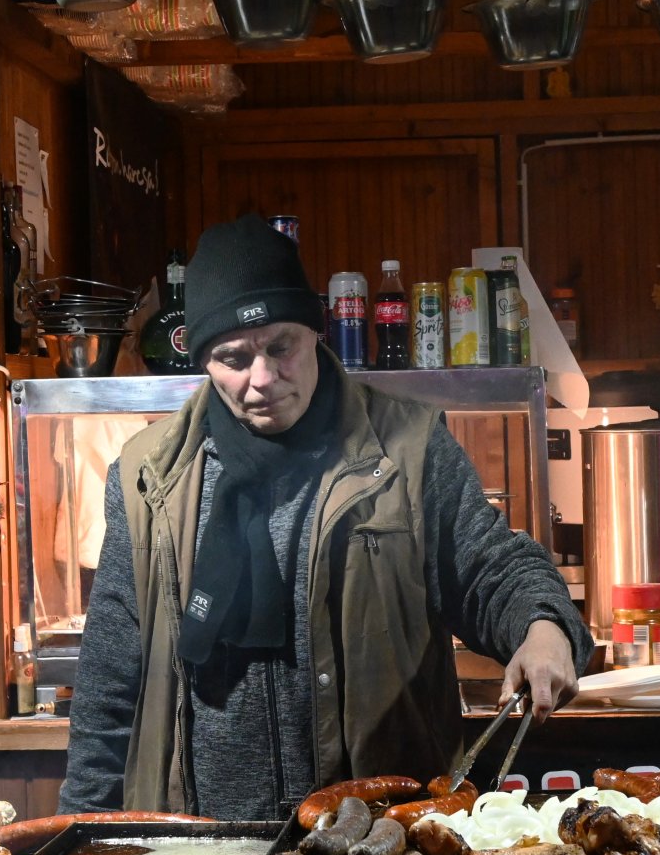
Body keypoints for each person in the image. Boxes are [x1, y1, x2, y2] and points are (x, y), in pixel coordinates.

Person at [60, 216, 592, 821]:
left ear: (314, 330)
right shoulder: (147, 478)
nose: (262, 379)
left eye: (279, 347)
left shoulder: (407, 450)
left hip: (378, 844)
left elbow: (489, 567)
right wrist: (82, 838)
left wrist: (544, 625)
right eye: (232, 358)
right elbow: (109, 679)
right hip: (200, 850)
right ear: (203, 361)